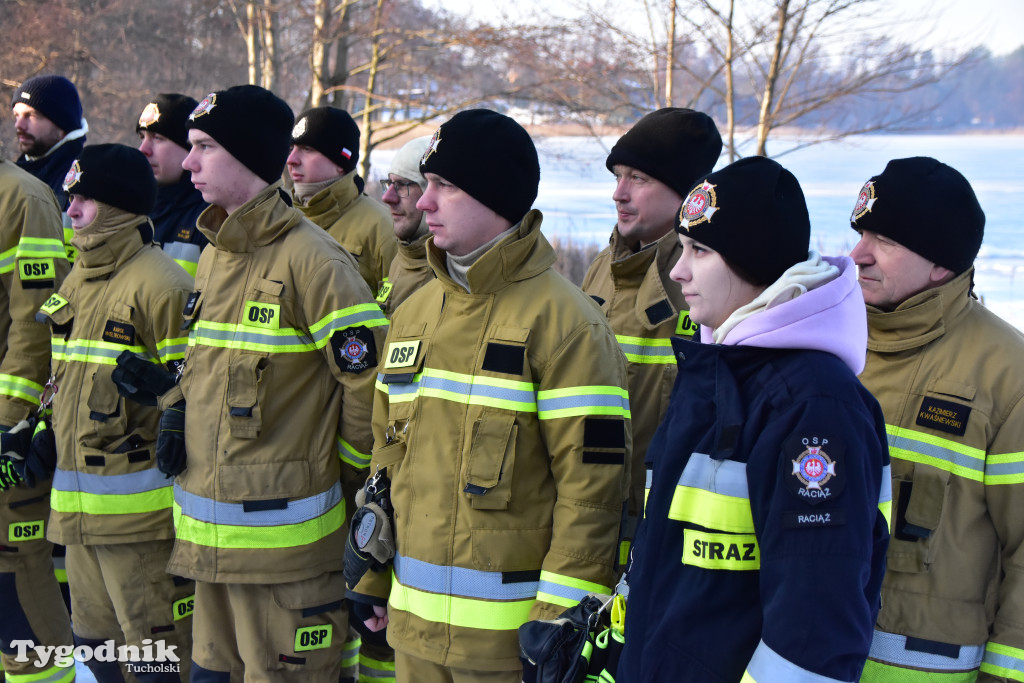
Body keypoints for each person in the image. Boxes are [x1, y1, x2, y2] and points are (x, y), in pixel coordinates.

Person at [346, 109, 631, 683]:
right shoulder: (415, 315)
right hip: (413, 637)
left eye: (443, 187)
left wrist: (559, 626)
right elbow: (387, 457)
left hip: (509, 652)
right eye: (425, 185)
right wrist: (371, 574)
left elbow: (592, 496)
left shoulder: (569, 326)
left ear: (496, 197)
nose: (423, 203)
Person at [136, 85, 388, 682]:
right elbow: (210, 366)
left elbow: (369, 388)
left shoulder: (316, 262)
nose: (189, 162)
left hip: (288, 567)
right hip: (212, 555)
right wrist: (176, 406)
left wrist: (348, 481)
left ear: (246, 156)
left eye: (202, 148)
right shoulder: (220, 253)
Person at [618, 156, 891, 682]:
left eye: (700, 251)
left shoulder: (814, 407)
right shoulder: (716, 373)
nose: (678, 270)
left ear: (752, 260)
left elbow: (814, 632)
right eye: (682, 249)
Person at [848, 157, 1024, 682]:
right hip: (804, 659)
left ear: (941, 264)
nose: (857, 254)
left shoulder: (1006, 374)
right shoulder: (824, 342)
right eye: (859, 233)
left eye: (885, 239)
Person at [35, 143, 195, 682]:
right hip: (79, 519)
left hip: (141, 530)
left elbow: (194, 401)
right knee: (96, 651)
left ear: (123, 208)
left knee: (153, 659)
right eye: (70, 198)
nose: (71, 211)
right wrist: (39, 426)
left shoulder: (165, 286)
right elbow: (65, 381)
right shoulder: (77, 279)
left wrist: (168, 399)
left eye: (85, 200)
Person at [580, 108, 721, 566]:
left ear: (685, 192)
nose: (618, 193)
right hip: (586, 525)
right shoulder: (602, 269)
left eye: (638, 178)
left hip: (663, 539)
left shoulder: (714, 282)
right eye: (618, 176)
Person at [0, 156, 73, 683]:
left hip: (4, 434)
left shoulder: (22, 199)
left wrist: (11, 424)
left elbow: (35, 327)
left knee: (16, 589)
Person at [287, 106, 396, 298]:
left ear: (340, 163)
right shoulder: (279, 214)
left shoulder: (382, 228)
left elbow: (395, 312)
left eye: (307, 149)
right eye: (291, 148)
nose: (292, 159)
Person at [12, 74, 87, 264]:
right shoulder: (12, 177)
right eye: (17, 115)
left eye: (31, 115)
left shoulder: (85, 181)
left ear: (62, 126)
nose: (18, 125)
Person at [136, 93, 209, 277]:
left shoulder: (209, 220)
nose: (143, 149)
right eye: (142, 137)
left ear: (190, 147)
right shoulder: (130, 210)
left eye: (157, 138)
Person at [376, 136, 433, 318]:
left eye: (401, 185)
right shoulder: (404, 254)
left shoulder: (451, 272)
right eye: (389, 184)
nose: (387, 197)